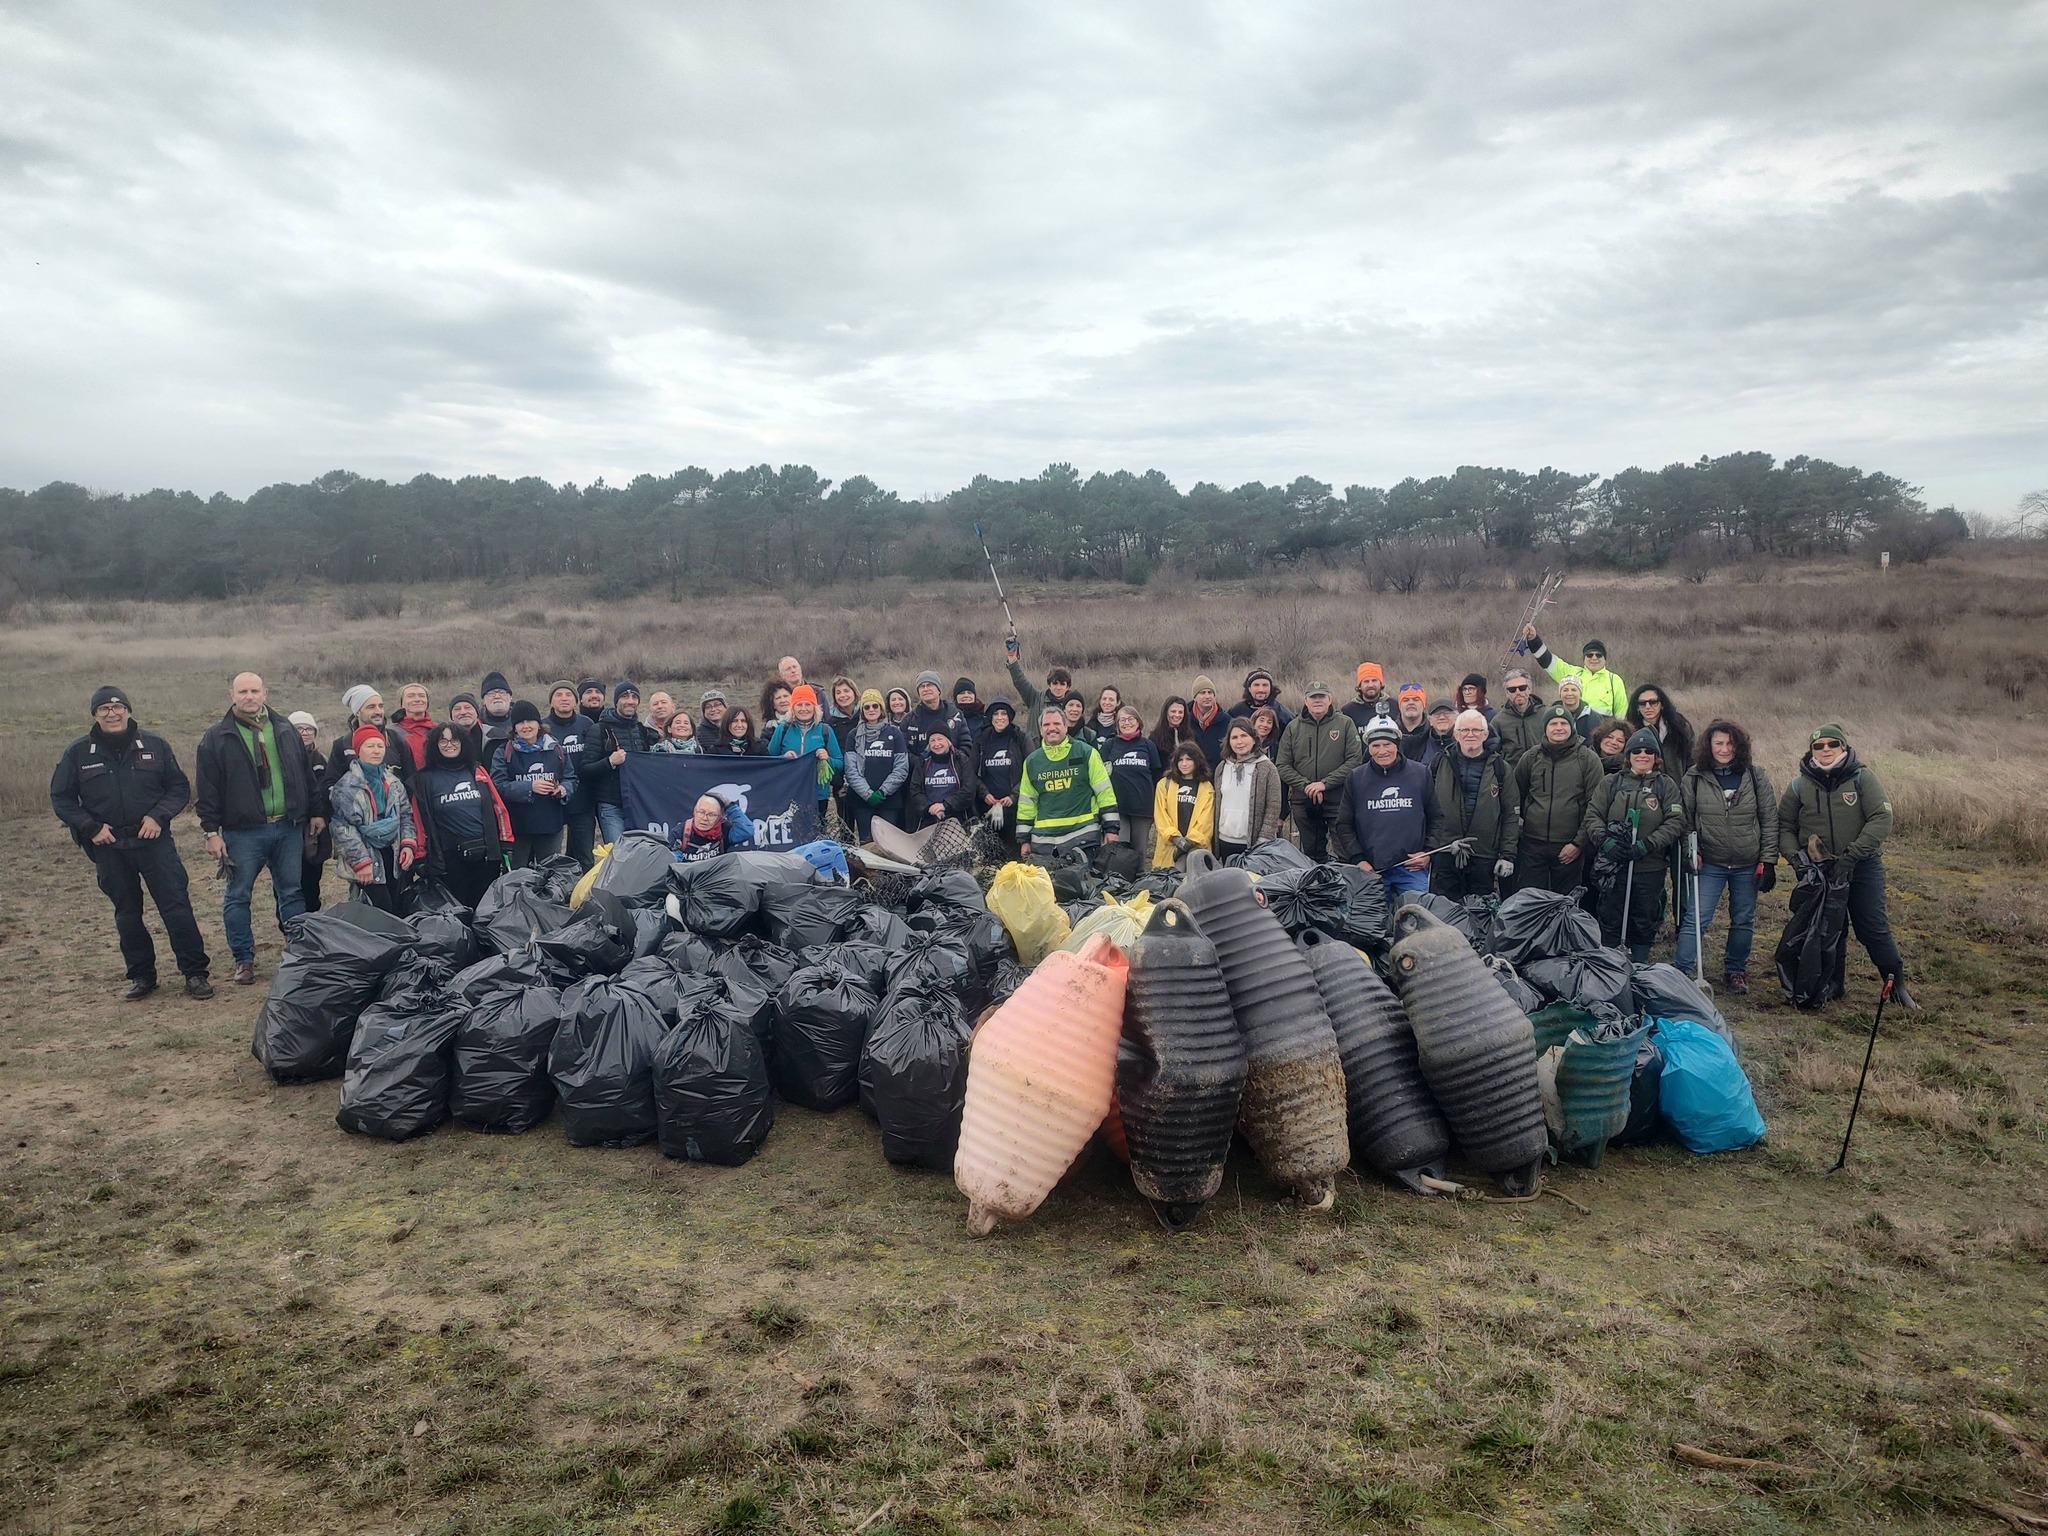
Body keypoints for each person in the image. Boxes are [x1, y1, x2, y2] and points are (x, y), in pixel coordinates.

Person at [50, 685, 212, 999]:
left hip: (154, 843)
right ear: (95, 715)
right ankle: (142, 977)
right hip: (109, 847)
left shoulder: (155, 745)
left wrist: (158, 816)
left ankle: (195, 974)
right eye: (104, 710)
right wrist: (90, 827)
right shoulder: (78, 753)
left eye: (117, 707)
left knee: (176, 908)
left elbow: (178, 788)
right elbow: (61, 797)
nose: (112, 714)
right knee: (127, 913)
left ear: (128, 710)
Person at [1776, 724, 1916, 1008]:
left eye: (1832, 744)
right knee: (1828, 928)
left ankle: (1896, 984)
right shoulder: (1799, 786)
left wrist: (1852, 855)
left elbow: (1881, 818)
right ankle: (1833, 984)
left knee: (1872, 927)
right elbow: (1784, 826)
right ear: (1811, 750)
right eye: (1819, 746)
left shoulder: (1862, 778)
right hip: (1819, 870)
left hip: (1861, 865)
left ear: (1843, 747)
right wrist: (1797, 860)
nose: (1826, 750)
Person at [195, 672, 314, 985]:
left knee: (291, 892)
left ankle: (299, 953)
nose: (249, 696)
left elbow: (304, 774)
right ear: (232, 694)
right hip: (243, 832)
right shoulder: (218, 737)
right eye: (242, 691)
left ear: (265, 693)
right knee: (238, 895)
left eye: (254, 690)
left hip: (287, 827)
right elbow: (208, 789)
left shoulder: (285, 729)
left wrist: (313, 812)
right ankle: (244, 959)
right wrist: (211, 831)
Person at [1676, 719, 1778, 993]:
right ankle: (1682, 972)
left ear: (1739, 746)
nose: (1724, 749)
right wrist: (1691, 851)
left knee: (1743, 918)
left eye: (1730, 743)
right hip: (1710, 862)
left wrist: (1768, 861)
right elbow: (1685, 822)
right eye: (1718, 743)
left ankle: (1735, 971)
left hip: (1747, 863)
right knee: (1697, 917)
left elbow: (1769, 820)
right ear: (1708, 745)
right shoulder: (1694, 778)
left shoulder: (1756, 777)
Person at [1583, 729, 1687, 960]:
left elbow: (1675, 821)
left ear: (1656, 756)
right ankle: (1610, 966)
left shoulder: (1666, 785)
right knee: (1610, 917)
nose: (1642, 755)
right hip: (1614, 866)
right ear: (1628, 755)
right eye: (1637, 751)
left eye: (1648, 751)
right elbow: (1593, 816)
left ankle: (1639, 966)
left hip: (1649, 867)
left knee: (1644, 919)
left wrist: (1646, 845)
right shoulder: (1611, 783)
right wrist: (1605, 841)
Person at [1332, 716, 1437, 896]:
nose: (1382, 751)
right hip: (1371, 871)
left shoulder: (1420, 774)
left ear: (1397, 744)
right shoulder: (1356, 778)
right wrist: (1358, 860)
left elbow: (1436, 818)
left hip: (1412, 870)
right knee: (1373, 922)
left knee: (1419, 920)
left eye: (1387, 744)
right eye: (1376, 746)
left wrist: (1428, 853)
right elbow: (1344, 824)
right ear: (1369, 748)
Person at [413, 722, 514, 908]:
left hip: (485, 855)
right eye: (443, 741)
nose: (449, 745)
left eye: (454, 740)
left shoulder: (477, 770)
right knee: (458, 910)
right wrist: (420, 854)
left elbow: (498, 807)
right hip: (449, 858)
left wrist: (505, 841)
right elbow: (419, 820)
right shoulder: (425, 778)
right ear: (434, 745)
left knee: (485, 910)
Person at [1513, 704, 1604, 895]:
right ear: (1545, 728)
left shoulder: (1588, 759)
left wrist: (1578, 844)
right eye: (1553, 723)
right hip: (1532, 845)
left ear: (1572, 727)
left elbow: (1594, 806)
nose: (1559, 727)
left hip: (1568, 846)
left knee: (1564, 903)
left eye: (1564, 723)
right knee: (1530, 901)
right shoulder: (1530, 757)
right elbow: (1516, 796)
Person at [1430, 709, 1521, 899]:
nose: (1470, 735)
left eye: (1476, 730)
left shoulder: (1501, 769)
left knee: (1480, 914)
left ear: (1486, 734)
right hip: (1446, 852)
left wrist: (1507, 856)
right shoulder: (1439, 762)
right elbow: (1426, 809)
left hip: (1484, 855)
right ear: (1455, 734)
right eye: (1464, 730)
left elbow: (1511, 815)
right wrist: (1429, 847)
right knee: (1444, 912)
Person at [328, 726, 421, 910]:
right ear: (358, 750)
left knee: (397, 908)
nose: (376, 751)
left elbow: (405, 815)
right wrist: (361, 863)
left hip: (393, 856)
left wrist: (408, 844)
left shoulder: (394, 782)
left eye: (380, 746)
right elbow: (343, 829)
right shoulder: (346, 787)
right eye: (370, 746)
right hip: (367, 857)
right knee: (379, 911)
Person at [1016, 704, 1119, 861]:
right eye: (1046, 725)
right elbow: (1026, 804)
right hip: (1044, 845)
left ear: (1065, 726)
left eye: (1057, 723)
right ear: (1041, 730)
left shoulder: (1086, 753)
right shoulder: (1031, 762)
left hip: (1083, 840)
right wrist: (1024, 840)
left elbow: (1105, 793)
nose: (1052, 728)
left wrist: (1111, 830)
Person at [1277, 682, 1362, 862]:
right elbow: (1282, 765)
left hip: (1338, 800)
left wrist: (1324, 784)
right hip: (1303, 800)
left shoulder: (1345, 724)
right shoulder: (1293, 728)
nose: (1318, 701)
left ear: (1329, 699)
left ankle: (1347, 886)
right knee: (1311, 855)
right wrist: (1306, 785)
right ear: (1306, 701)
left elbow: (1354, 760)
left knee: (1345, 852)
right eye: (1313, 697)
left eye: (1321, 697)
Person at [490, 701, 579, 867]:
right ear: (514, 728)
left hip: (550, 824)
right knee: (519, 877)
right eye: (520, 723)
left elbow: (571, 779)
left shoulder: (556, 749)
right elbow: (498, 786)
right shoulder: (504, 752)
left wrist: (562, 790)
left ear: (539, 724)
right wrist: (529, 787)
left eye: (530, 721)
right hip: (517, 827)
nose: (526, 726)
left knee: (550, 874)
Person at [543, 680, 602, 870]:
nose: (564, 698)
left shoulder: (587, 724)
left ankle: (583, 896)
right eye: (558, 695)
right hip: (552, 800)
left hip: (583, 799)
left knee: (584, 856)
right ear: (551, 702)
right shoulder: (542, 727)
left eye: (568, 695)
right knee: (550, 858)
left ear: (576, 701)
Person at [767, 685, 844, 822]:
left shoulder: (825, 730)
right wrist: (783, 758)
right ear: (793, 708)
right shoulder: (783, 729)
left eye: (808, 704)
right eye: (799, 705)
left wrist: (827, 759)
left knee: (815, 833)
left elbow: (840, 763)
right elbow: (769, 761)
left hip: (818, 794)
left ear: (815, 707)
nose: (803, 709)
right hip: (789, 792)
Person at [592, 682, 656, 844]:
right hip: (612, 805)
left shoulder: (642, 730)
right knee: (619, 855)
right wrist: (609, 762)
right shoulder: (600, 729)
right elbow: (585, 770)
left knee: (640, 854)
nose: (630, 701)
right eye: (625, 696)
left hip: (638, 804)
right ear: (616, 701)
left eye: (634, 697)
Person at [1212, 718, 1282, 861]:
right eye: (1234, 737)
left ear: (1254, 739)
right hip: (1225, 838)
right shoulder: (1222, 767)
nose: (1239, 742)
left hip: (1254, 843)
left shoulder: (1266, 768)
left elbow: (1273, 806)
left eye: (1244, 736)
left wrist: (1264, 839)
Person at [1524, 626, 1628, 720]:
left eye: (1599, 655)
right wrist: (1533, 639)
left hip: (1601, 735)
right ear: (1584, 658)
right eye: (1590, 655)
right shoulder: (1573, 673)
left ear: (1605, 659)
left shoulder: (1614, 680)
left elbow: (1621, 714)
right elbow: (1548, 661)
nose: (1594, 658)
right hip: (1574, 733)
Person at [846, 689, 910, 838]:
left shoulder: (895, 733)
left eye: (875, 706)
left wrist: (882, 792)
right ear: (862, 710)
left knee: (888, 844)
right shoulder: (853, 735)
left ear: (881, 708)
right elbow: (851, 770)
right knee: (867, 844)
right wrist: (868, 794)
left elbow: (901, 768)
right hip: (862, 801)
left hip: (889, 800)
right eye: (866, 707)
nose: (871, 710)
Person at [1102, 705, 1162, 864]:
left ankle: (1139, 885)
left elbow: (1157, 776)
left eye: (1130, 719)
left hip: (1142, 808)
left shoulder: (1148, 745)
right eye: (1122, 720)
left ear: (1138, 722)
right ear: (1117, 724)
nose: (1126, 723)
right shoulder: (1110, 745)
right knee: (1119, 849)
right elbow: (1101, 775)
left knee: (1139, 851)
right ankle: (1120, 884)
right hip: (1118, 807)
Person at [327, 684, 410, 788]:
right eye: (371, 707)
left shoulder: (395, 739)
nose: (378, 711)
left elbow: (410, 779)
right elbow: (330, 784)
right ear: (357, 712)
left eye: (381, 706)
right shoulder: (343, 744)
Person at [290, 711, 332, 913]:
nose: (305, 733)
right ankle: (291, 924)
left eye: (309, 729)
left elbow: (327, 790)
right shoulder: (283, 759)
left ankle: (313, 917)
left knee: (313, 876)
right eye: (299, 729)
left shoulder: (321, 759)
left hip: (316, 827)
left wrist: (323, 816)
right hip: (290, 825)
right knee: (288, 879)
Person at [974, 698, 1029, 850]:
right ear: (990, 717)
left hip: (1016, 809)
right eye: (996, 714)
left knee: (1014, 856)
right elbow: (971, 773)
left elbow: (1031, 770)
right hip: (989, 809)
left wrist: (1014, 796)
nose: (1000, 717)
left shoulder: (1020, 738)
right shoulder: (981, 740)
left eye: (1003, 713)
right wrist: (984, 793)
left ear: (1009, 717)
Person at [1152, 743, 1214, 867]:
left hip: (1195, 849)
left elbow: (1206, 820)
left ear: (1197, 761)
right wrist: (1175, 839)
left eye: (1188, 759)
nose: (1184, 764)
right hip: (1170, 848)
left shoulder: (1206, 787)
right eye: (1180, 760)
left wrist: (1189, 842)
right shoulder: (1164, 784)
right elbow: (1160, 816)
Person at [1003, 631, 1076, 731]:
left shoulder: (1073, 706)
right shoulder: (1035, 699)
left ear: (1067, 687)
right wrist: (1012, 658)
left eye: (1062, 684)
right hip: (1036, 746)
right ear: (1049, 685)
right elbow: (1020, 681)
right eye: (1055, 683)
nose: (1058, 687)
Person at [1627, 683, 1695, 785]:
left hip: (1680, 786)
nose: (1648, 707)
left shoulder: (1680, 727)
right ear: (1637, 707)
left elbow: (1692, 759)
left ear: (1662, 704)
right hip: (1644, 790)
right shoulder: (1631, 731)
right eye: (1642, 703)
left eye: (1653, 702)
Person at [911, 724, 978, 826]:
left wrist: (945, 805)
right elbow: (915, 790)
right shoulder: (922, 763)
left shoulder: (961, 760)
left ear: (948, 741)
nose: (936, 744)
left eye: (940, 739)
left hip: (959, 819)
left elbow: (969, 790)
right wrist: (929, 807)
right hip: (930, 819)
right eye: (932, 740)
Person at [673, 790, 755, 862]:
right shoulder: (680, 832)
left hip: (717, 878)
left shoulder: (723, 829)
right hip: (688, 878)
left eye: (711, 815)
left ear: (720, 817)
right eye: (701, 812)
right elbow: (671, 861)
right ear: (694, 812)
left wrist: (730, 806)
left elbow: (747, 831)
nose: (705, 818)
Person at [905, 671, 966, 759]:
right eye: (922, 686)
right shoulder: (909, 719)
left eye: (929, 685)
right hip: (920, 770)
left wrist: (954, 762)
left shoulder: (955, 715)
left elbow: (966, 745)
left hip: (952, 768)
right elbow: (904, 751)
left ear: (938, 690)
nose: (926, 689)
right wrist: (920, 765)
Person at [1492, 669, 1546, 764]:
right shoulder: (1498, 721)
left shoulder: (1545, 714)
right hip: (1512, 775)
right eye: (1512, 690)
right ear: (1507, 693)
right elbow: (1492, 752)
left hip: (1541, 771)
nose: (1518, 692)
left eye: (1522, 688)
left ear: (1529, 689)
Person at [1230, 668, 1293, 735]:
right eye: (1256, 685)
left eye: (1265, 685)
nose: (1261, 689)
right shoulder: (1236, 711)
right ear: (1249, 688)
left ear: (1271, 688)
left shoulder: (1283, 713)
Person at [1187, 676, 1230, 766]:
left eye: (1210, 693)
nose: (1207, 696)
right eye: (1202, 693)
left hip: (1218, 774)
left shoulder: (1227, 721)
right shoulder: (1185, 719)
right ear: (1195, 697)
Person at [392, 683, 435, 772]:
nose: (417, 699)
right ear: (401, 703)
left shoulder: (438, 730)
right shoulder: (391, 733)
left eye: (422, 696)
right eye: (411, 696)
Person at [1343, 664, 1394, 732]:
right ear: (1360, 686)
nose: (1370, 685)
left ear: (1380, 683)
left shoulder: (1394, 706)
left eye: (1374, 680)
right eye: (1366, 681)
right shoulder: (1348, 711)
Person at [477, 671, 516, 747]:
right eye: (491, 693)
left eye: (502, 692)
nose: (497, 696)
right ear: (484, 701)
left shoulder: (523, 720)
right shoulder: (476, 726)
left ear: (510, 697)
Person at [1393, 684, 1430, 760]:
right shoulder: (1390, 733)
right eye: (1405, 700)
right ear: (1400, 706)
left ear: (1424, 705)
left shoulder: (1433, 734)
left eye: (1416, 700)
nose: (1411, 703)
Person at [1420, 700, 1458, 773]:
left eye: (1447, 713)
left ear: (1456, 717)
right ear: (1430, 720)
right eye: (1437, 714)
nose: (1442, 717)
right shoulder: (1417, 744)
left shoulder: (1463, 743)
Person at [1556, 675, 1596, 740]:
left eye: (1573, 690)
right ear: (1560, 694)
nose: (1569, 693)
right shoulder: (1551, 716)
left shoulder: (1593, 717)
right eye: (1565, 690)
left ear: (1580, 694)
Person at [951, 678, 985, 750]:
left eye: (969, 693)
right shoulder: (949, 717)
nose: (966, 695)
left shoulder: (985, 719)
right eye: (962, 693)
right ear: (955, 697)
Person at [447, 692, 484, 757]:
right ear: (451, 716)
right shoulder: (443, 738)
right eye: (457, 709)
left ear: (477, 712)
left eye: (467, 707)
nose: (463, 712)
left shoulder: (492, 735)